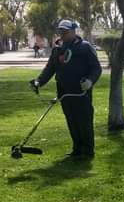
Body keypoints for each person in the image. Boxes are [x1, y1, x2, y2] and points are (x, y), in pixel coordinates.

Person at [29, 19, 102, 160]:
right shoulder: (57, 49)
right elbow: (50, 68)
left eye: (66, 32)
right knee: (72, 121)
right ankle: (77, 149)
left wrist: (90, 81)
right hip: (64, 93)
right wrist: (39, 82)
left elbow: (96, 68)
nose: (63, 34)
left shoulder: (85, 47)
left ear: (74, 31)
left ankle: (87, 151)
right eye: (61, 31)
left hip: (81, 92)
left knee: (84, 122)